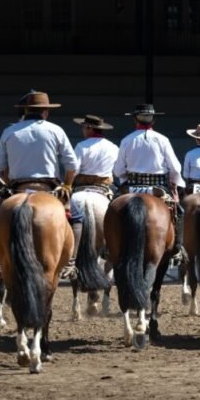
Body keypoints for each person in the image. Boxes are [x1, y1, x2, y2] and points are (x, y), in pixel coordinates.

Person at [0, 90, 80, 271]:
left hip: (17, 189)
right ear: (45, 112)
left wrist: (8, 182)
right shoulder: (56, 130)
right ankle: (70, 260)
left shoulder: (9, 132)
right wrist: (67, 185)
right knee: (77, 217)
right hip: (49, 188)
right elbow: (72, 165)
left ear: (25, 110)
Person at [114, 103, 186, 259]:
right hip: (158, 188)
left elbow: (118, 170)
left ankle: (108, 246)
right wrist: (174, 183)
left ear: (135, 120)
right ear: (153, 121)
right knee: (179, 211)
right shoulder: (163, 139)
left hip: (130, 186)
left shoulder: (126, 140)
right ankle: (178, 248)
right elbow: (175, 168)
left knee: (112, 208)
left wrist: (126, 178)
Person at [68, 114, 118, 278]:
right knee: (118, 217)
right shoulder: (112, 147)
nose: (83, 130)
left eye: (84, 127)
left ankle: (69, 256)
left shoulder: (81, 146)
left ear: (90, 128)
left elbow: (74, 169)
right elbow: (118, 171)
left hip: (80, 189)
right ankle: (113, 248)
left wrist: (67, 183)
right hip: (104, 189)